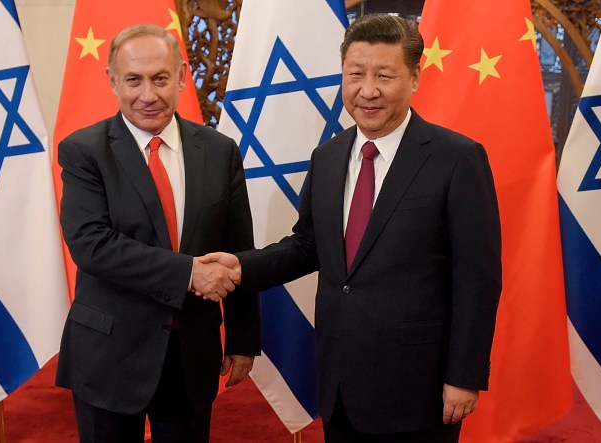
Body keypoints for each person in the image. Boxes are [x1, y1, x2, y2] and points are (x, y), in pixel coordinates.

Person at [202, 14, 501, 442]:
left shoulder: (457, 159)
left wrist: (464, 375)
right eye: (355, 74)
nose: (368, 91)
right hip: (340, 379)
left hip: (419, 386)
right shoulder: (328, 155)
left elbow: (479, 278)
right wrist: (241, 267)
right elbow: (307, 245)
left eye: (385, 75)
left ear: (415, 77)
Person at [55, 24, 260, 443]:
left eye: (160, 78)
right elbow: (92, 245)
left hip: (190, 354)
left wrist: (243, 337)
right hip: (108, 355)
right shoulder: (84, 151)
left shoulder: (220, 151)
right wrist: (188, 274)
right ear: (112, 81)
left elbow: (238, 250)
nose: (148, 94)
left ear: (182, 77)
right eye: (133, 80)